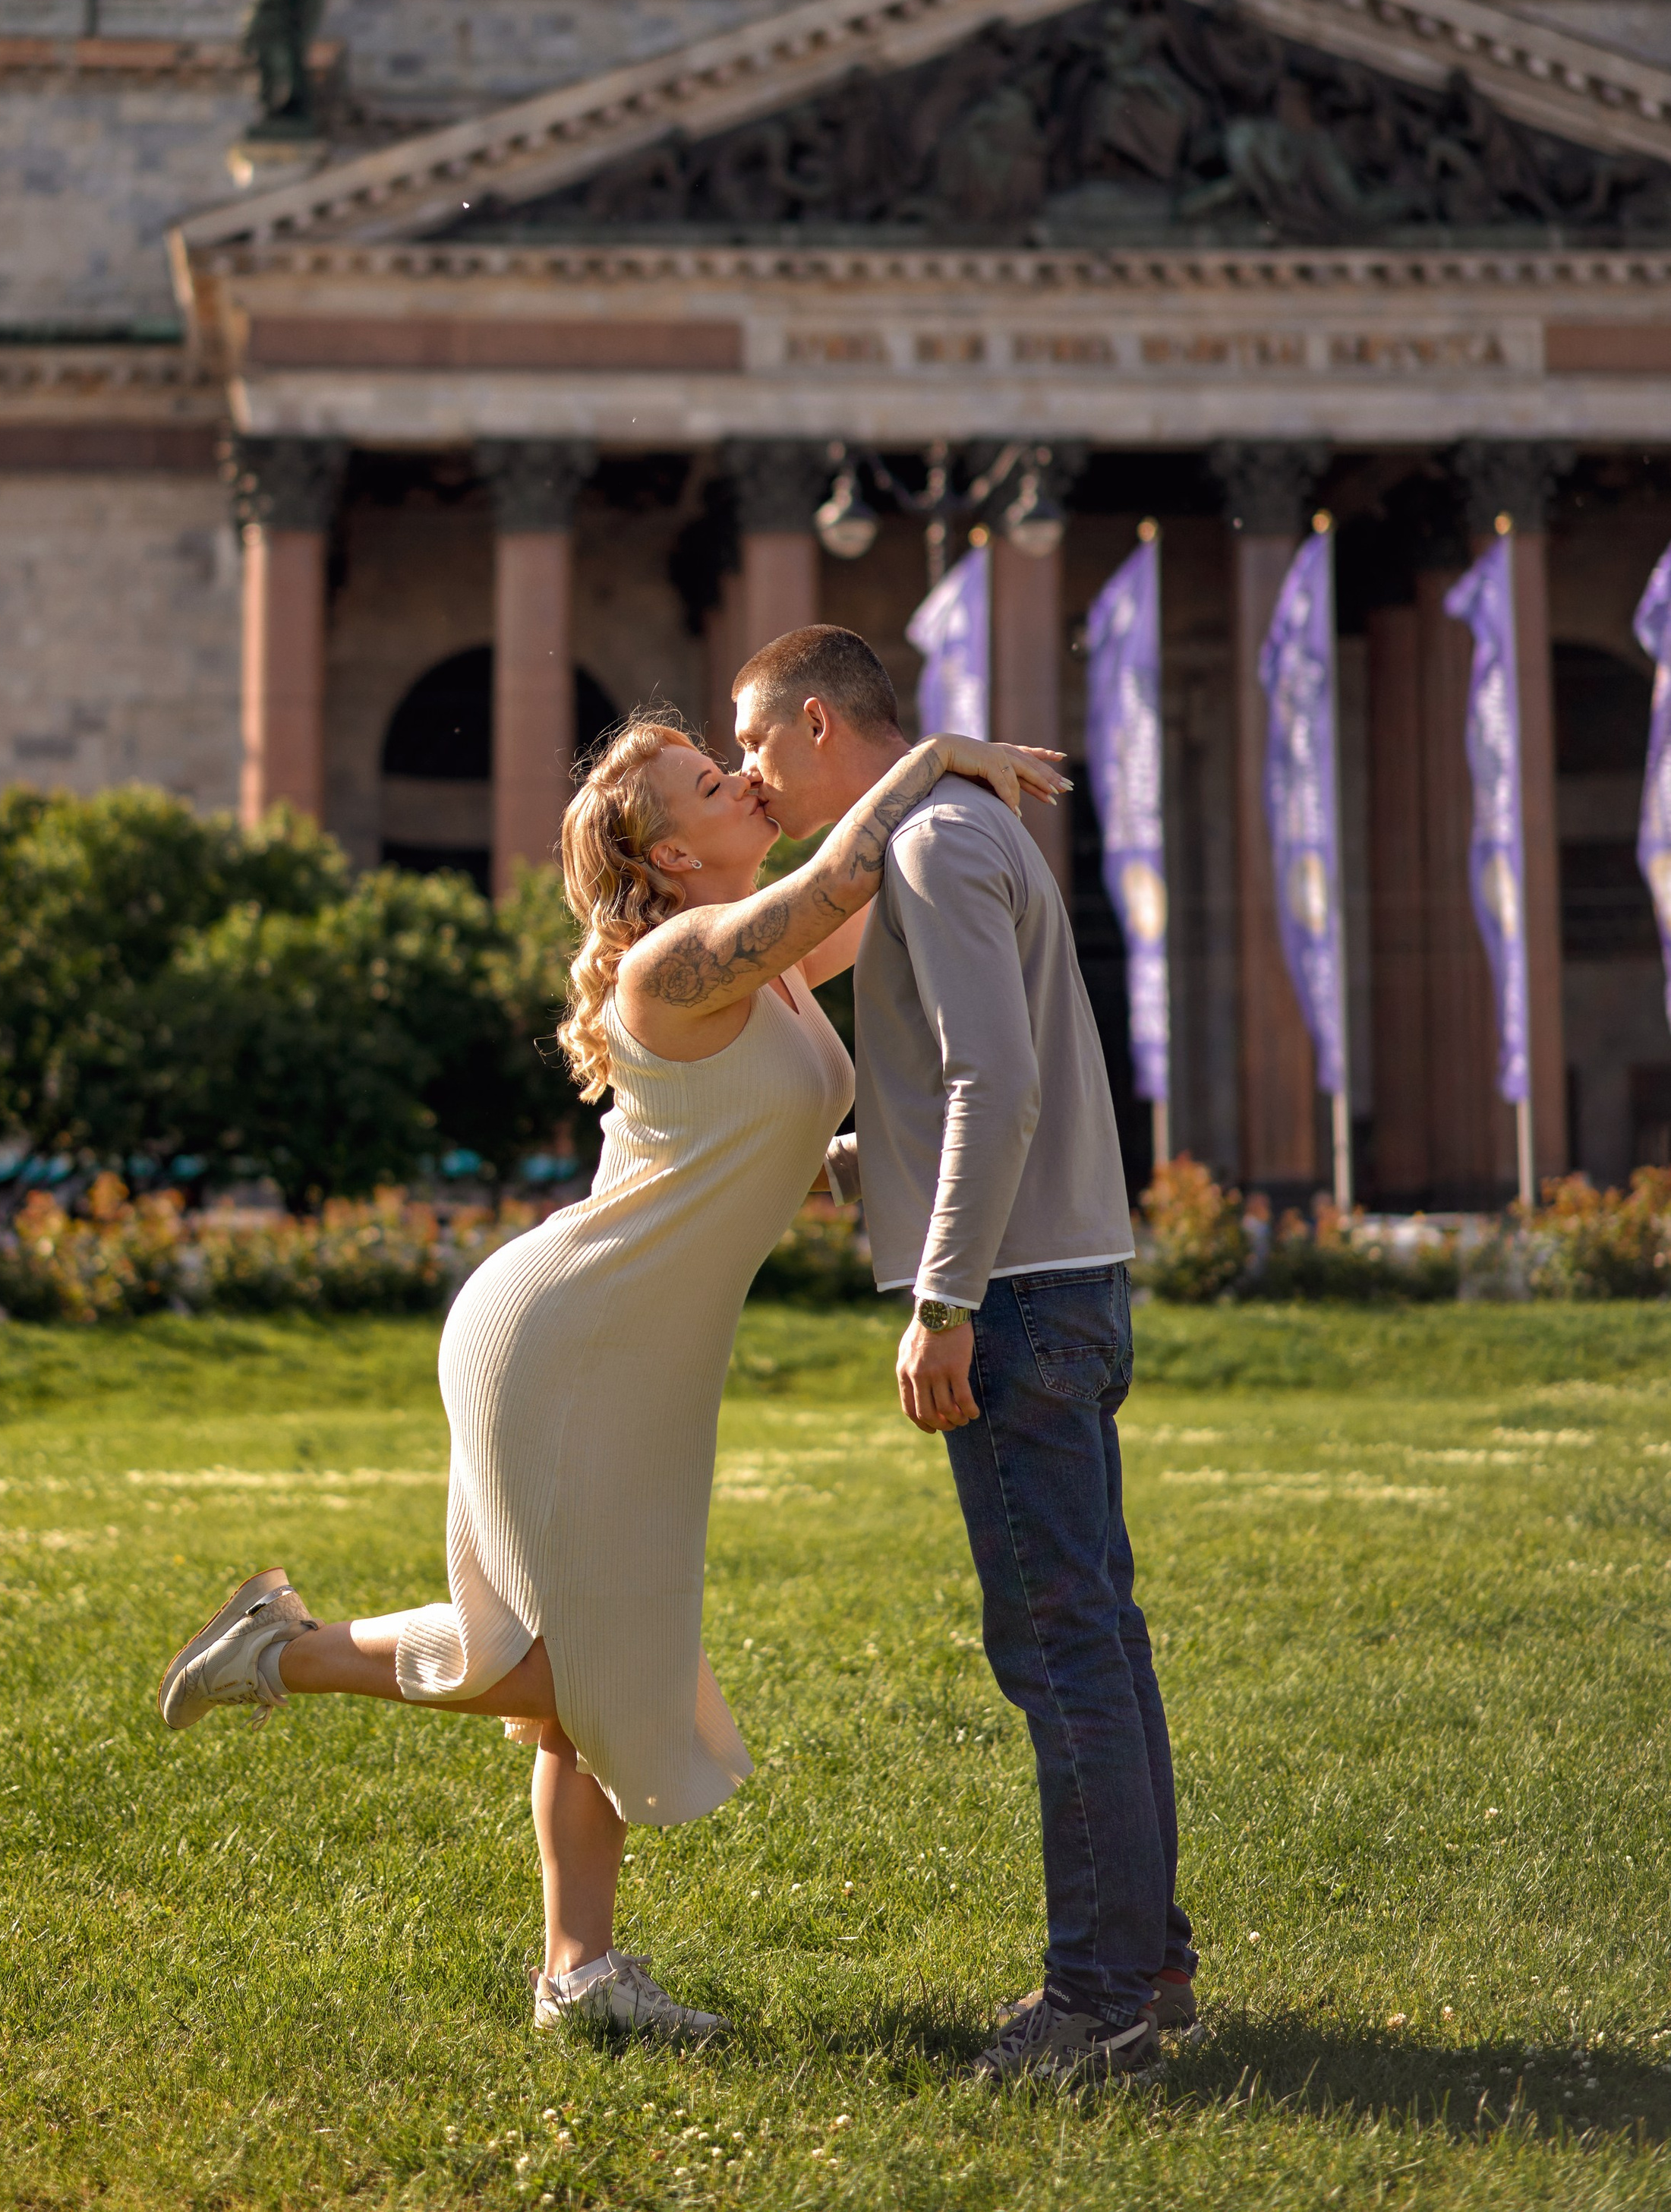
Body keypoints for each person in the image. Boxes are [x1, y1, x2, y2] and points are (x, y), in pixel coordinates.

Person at [156, 715, 1064, 2045]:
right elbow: (840, 874)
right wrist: (927, 758)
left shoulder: (778, 969)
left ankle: (577, 1975)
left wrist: (927, 1173)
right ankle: (281, 1656)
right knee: (580, 1672)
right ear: (665, 851)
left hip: (630, 1363)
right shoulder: (678, 961)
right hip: (563, 1347)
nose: (741, 779)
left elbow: (783, 1102)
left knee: (557, 1681)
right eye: (711, 781)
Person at [734, 624, 1195, 2088]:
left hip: (1015, 1302)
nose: (750, 774)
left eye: (755, 744)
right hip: (1070, 1278)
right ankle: (1151, 1967)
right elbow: (981, 1089)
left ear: (819, 723)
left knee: (1062, 1653)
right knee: (1101, 1642)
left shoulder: (928, 846)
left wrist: (939, 1302)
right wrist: (866, 1165)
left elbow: (998, 1077)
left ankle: (1095, 2009)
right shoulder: (962, 824)